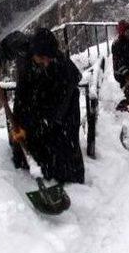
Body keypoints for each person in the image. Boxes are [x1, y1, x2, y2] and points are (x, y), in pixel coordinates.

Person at [12, 28, 85, 184]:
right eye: (42, 58)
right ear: (33, 51)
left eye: (49, 58)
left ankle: (69, 180)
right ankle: (34, 167)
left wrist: (32, 128)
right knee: (33, 143)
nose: (46, 62)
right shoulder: (24, 48)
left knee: (63, 145)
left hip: (65, 108)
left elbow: (53, 114)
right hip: (37, 101)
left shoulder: (63, 72)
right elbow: (9, 42)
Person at [0, 31, 31, 170]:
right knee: (19, 129)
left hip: (36, 97)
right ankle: (21, 161)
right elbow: (7, 46)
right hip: (24, 93)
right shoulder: (24, 46)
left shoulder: (50, 63)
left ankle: (33, 163)